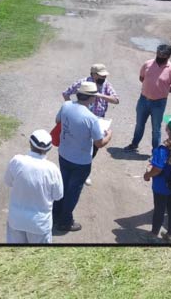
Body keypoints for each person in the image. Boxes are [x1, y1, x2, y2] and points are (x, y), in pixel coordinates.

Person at [53, 81, 113, 233]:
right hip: (81, 162)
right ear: (92, 98)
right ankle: (65, 222)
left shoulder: (66, 106)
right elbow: (99, 143)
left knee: (63, 186)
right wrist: (109, 136)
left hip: (64, 154)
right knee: (73, 191)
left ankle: (55, 214)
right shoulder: (91, 118)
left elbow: (57, 121)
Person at [4, 129, 64, 244]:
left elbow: (8, 182)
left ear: (30, 143)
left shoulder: (17, 161)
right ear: (49, 148)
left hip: (16, 221)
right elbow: (58, 196)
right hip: (40, 225)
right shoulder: (53, 169)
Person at [63, 63, 120, 184]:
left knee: (93, 148)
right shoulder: (83, 83)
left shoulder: (106, 85)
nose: (103, 78)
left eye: (104, 76)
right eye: (101, 76)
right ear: (93, 74)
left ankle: (84, 173)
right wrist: (74, 108)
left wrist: (100, 95)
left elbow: (116, 100)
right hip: (82, 121)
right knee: (80, 144)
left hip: (98, 121)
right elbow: (66, 93)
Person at [123, 45, 171, 153]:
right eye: (158, 54)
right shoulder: (148, 64)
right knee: (139, 125)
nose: (159, 56)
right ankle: (134, 144)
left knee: (156, 129)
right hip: (143, 100)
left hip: (159, 103)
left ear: (168, 56)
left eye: (162, 55)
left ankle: (155, 151)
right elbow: (142, 78)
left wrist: (163, 91)